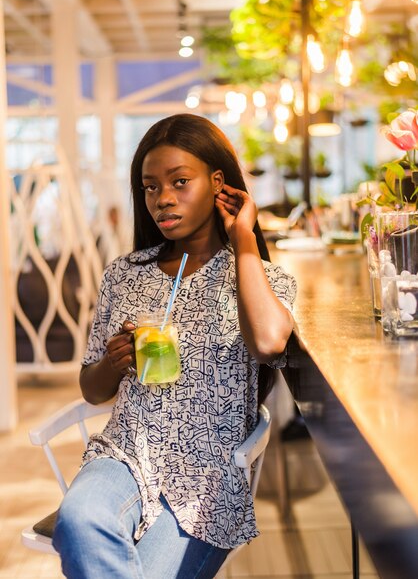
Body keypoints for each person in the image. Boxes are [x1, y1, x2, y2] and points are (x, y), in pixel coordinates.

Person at [52, 113, 296, 579]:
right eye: (149, 187)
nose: (162, 199)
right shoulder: (125, 273)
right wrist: (113, 362)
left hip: (209, 477)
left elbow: (267, 343)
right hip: (125, 454)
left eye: (179, 182)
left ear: (218, 183)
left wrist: (243, 236)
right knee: (79, 522)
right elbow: (91, 387)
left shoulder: (256, 279)